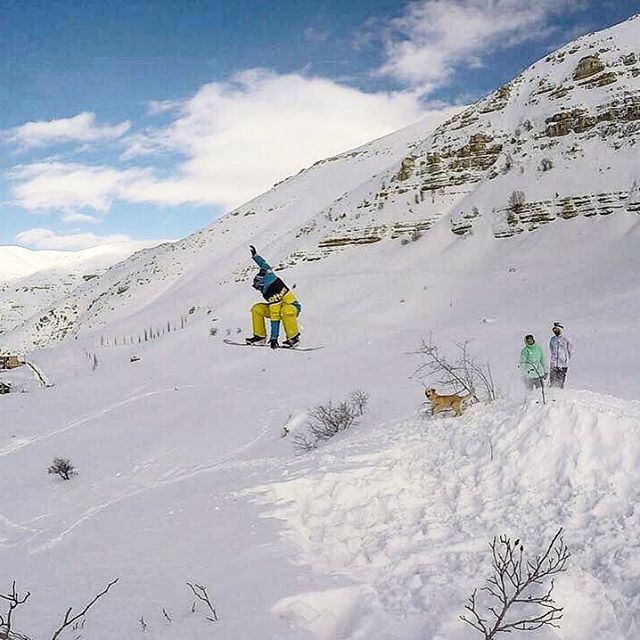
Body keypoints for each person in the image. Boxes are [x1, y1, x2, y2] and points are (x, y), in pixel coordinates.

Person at [245, 246, 301, 349]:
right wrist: (255, 256)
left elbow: (275, 317)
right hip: (277, 306)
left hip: (292, 307)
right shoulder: (267, 273)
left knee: (285, 311)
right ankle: (260, 336)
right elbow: (263, 264)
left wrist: (274, 338)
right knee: (256, 309)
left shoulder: (271, 292)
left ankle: (293, 337)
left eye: (258, 287)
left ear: (262, 284)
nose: (258, 289)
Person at [549, 322, 572, 388]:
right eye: (554, 330)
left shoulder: (566, 339)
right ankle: (552, 393)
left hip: (563, 364)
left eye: (557, 330)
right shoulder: (552, 339)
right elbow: (551, 349)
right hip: (553, 363)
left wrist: (565, 359)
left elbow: (570, 350)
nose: (555, 331)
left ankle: (560, 393)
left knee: (560, 381)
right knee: (552, 380)